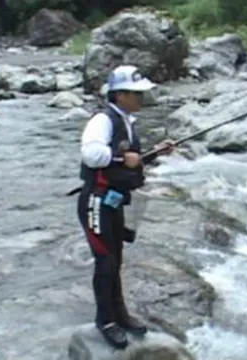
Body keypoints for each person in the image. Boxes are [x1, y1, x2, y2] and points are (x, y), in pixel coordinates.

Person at [76, 65, 174, 349]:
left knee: (116, 260)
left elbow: (133, 159)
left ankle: (120, 314)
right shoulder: (102, 120)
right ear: (119, 95)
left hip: (114, 203)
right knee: (105, 262)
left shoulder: (128, 121)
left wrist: (155, 153)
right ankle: (104, 320)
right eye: (136, 93)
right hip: (95, 202)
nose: (142, 98)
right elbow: (91, 154)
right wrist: (123, 160)